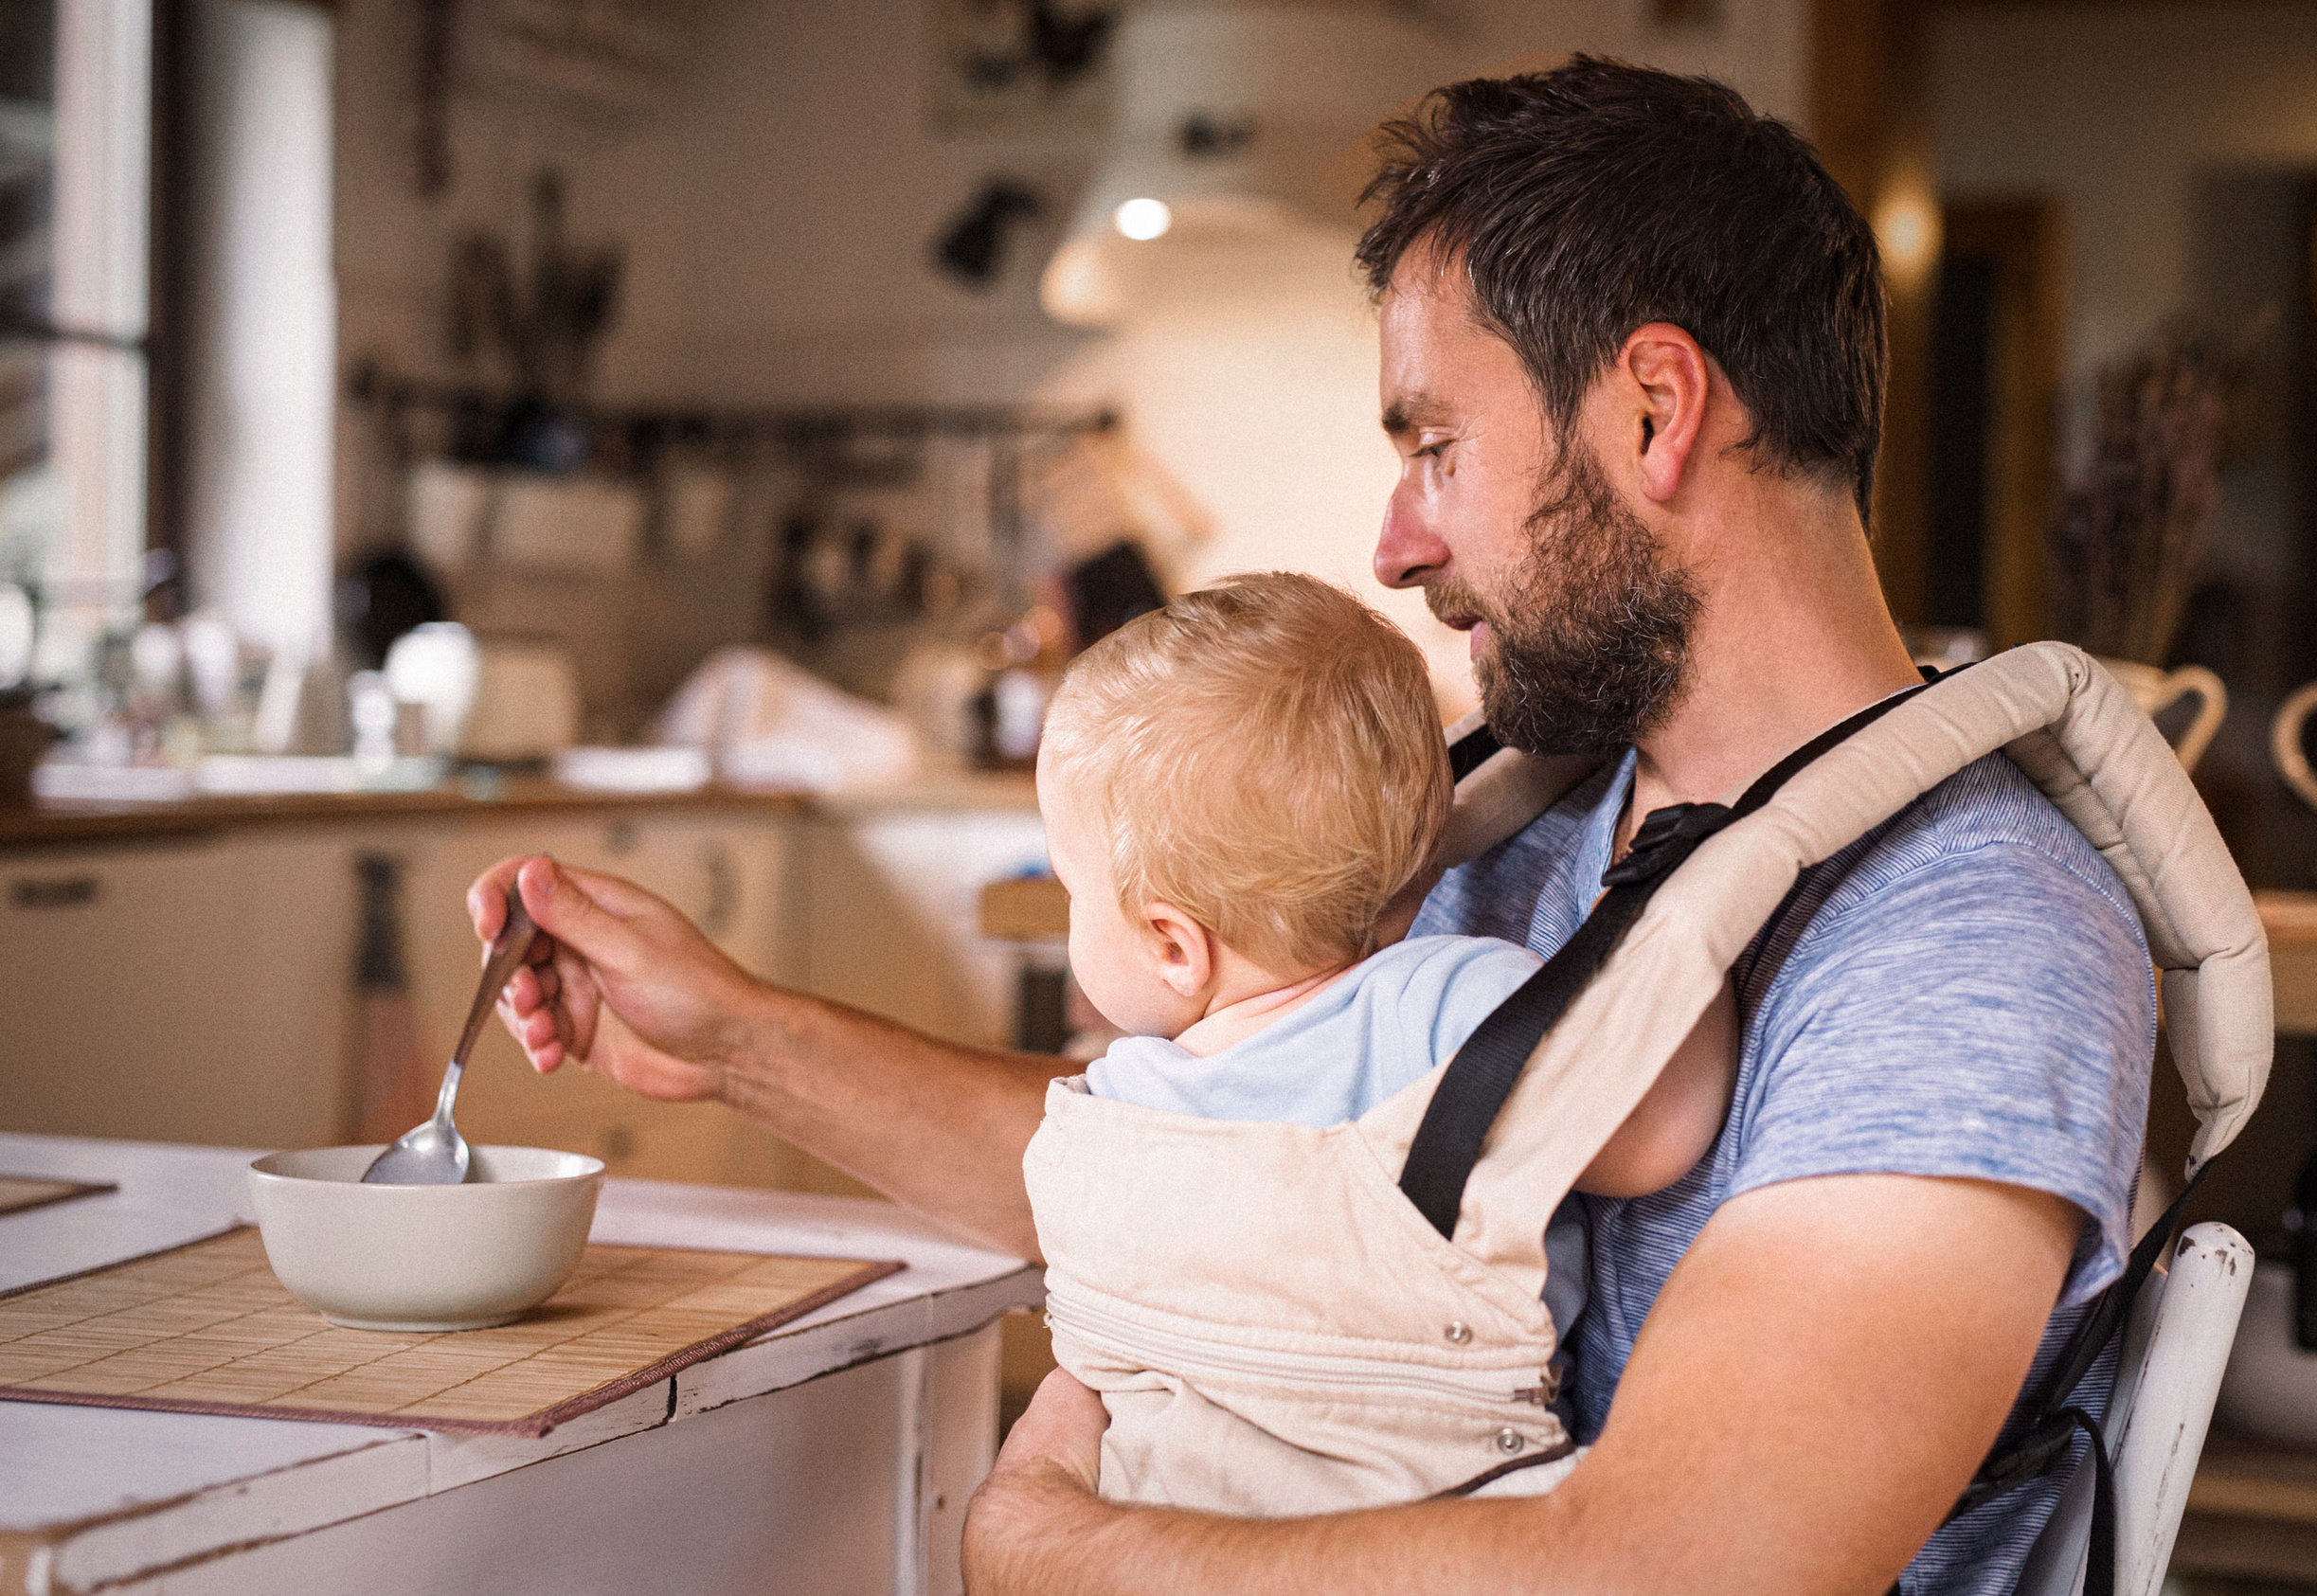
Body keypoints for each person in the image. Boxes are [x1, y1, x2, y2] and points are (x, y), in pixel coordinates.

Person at [472, 57, 2153, 1595]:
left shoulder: (1962, 935)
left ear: (1654, 411)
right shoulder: (1529, 820)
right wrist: (741, 1040)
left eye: (1435, 444)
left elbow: (1680, 1566)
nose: (1395, 545)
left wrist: (1060, 1543)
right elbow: (1235, 1169)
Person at [1028, 569, 1730, 1510]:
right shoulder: (1445, 1002)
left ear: (1172, 944)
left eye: (1075, 891)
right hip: (1431, 1512)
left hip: (1167, 1510)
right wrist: (1683, 911)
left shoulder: (1123, 1100)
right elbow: (1658, 1130)